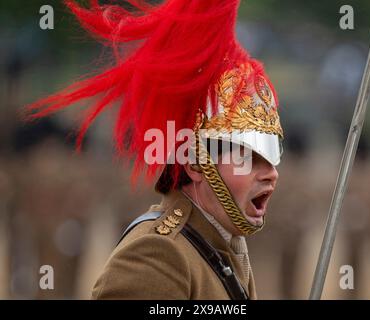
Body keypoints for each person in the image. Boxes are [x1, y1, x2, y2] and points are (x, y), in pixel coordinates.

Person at [25, 0, 284, 300]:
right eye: (247, 157)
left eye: (270, 154)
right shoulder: (158, 254)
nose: (271, 174)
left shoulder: (225, 244)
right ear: (196, 164)